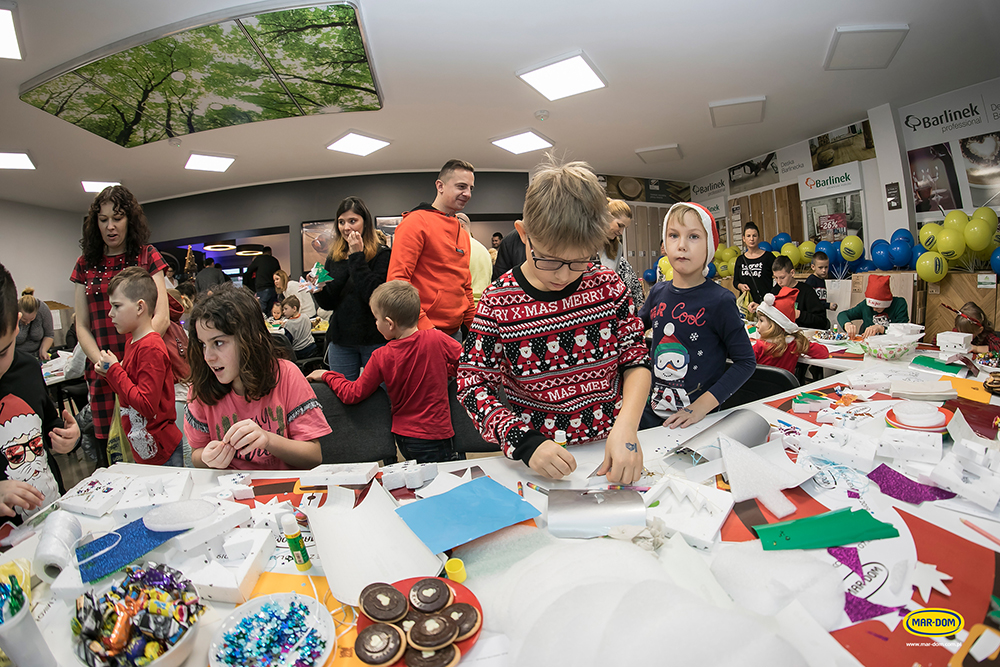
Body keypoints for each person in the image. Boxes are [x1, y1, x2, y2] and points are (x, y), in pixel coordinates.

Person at [458, 158, 650, 484]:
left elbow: (636, 361)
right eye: (549, 259)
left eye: (579, 261)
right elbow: (472, 385)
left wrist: (628, 426)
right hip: (538, 460)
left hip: (610, 447)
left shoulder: (608, 286)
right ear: (523, 235)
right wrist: (523, 441)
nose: (563, 275)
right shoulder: (496, 302)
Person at [308, 281, 463, 463]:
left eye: (376, 319)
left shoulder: (381, 355)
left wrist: (327, 375)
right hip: (438, 434)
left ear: (389, 323)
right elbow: (469, 363)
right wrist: (447, 371)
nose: (375, 323)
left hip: (405, 437)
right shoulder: (436, 339)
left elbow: (353, 393)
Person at [71, 185, 170, 468]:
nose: (110, 226)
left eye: (117, 218)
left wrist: (127, 365)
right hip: (103, 374)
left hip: (144, 369)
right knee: (113, 455)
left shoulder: (147, 255)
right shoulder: (84, 264)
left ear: (130, 219)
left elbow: (160, 318)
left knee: (152, 448)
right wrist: (105, 366)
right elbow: (82, 326)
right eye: (103, 220)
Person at [184, 285, 329, 470]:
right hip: (227, 491)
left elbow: (313, 456)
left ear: (250, 339)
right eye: (203, 345)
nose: (208, 357)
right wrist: (207, 458)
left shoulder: (287, 375)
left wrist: (268, 439)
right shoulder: (200, 387)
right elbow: (197, 454)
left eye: (218, 343)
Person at [639, 202, 755, 429]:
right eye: (673, 235)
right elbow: (630, 331)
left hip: (698, 422)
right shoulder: (658, 292)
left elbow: (746, 362)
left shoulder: (720, 300)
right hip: (651, 416)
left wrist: (701, 407)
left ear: (709, 246)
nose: (681, 245)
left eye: (693, 236)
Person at [0, 263, 78, 521]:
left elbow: (47, 423)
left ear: (18, 325)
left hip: (50, 512)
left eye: (2, 352)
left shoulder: (28, 368)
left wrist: (66, 435)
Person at [96, 267, 182, 466]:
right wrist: (110, 374)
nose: (110, 314)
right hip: (146, 447)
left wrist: (115, 370)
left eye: (117, 306)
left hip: (162, 451)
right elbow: (128, 393)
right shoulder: (132, 343)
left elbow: (146, 405)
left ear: (140, 307)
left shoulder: (150, 347)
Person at [388, 159, 475, 338]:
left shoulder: (463, 233)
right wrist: (426, 328)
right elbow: (397, 283)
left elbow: (464, 286)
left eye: (470, 188)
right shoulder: (416, 222)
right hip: (422, 333)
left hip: (456, 332)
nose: (467, 194)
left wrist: (476, 328)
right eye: (461, 186)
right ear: (440, 186)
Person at [313, 196, 391, 381]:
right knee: (342, 397)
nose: (346, 227)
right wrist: (318, 288)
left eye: (352, 221)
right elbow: (329, 303)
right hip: (341, 341)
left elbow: (374, 296)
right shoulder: (335, 256)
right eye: (341, 222)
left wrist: (357, 256)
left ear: (365, 223)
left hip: (374, 338)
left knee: (380, 396)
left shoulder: (382, 254)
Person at [753, 288, 830, 372]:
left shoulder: (759, 347)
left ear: (775, 325)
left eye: (761, 320)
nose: (757, 325)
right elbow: (824, 352)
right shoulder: (796, 344)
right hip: (786, 385)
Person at [752, 255, 828, 329]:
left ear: (792, 273)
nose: (779, 282)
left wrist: (799, 315)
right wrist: (761, 307)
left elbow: (822, 321)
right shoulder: (776, 290)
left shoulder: (806, 291)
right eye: (776, 278)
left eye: (782, 277)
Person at [165, 289, 193, 467]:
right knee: (189, 444)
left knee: (185, 448)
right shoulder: (180, 330)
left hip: (176, 394)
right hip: (187, 391)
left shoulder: (163, 330)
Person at [837, 274, 909, 339]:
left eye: (878, 307)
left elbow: (903, 329)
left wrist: (881, 328)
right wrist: (847, 324)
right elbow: (842, 314)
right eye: (871, 306)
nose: (874, 309)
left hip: (892, 343)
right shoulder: (865, 306)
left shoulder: (899, 304)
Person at [602, 199, 644, 308]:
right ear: (606, 217)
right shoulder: (585, 244)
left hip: (609, 305)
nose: (621, 232)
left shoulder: (617, 248)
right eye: (619, 225)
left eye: (624, 228)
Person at [457, 213, 493, 306]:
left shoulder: (460, 249)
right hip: (484, 305)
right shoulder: (484, 250)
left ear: (461, 226)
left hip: (466, 306)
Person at [734, 222, 774, 304]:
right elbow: (735, 281)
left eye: (754, 236)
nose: (751, 239)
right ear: (744, 238)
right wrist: (740, 286)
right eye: (748, 236)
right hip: (746, 305)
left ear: (758, 237)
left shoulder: (768, 257)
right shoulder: (740, 259)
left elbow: (778, 278)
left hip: (765, 304)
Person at [15, 288, 54, 361]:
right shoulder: (11, 312)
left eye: (32, 319)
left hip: (37, 356)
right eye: (24, 320)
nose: (28, 322)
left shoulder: (42, 309)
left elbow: (49, 334)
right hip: (16, 357)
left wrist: (43, 350)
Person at [245, 246, 282, 314]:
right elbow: (279, 273)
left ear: (263, 252)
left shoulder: (259, 259)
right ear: (270, 252)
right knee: (272, 310)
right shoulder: (275, 260)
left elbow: (249, 269)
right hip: (273, 288)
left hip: (262, 287)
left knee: (261, 310)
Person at [804, 251, 838, 316]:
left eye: (826, 267)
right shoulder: (811, 280)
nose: (824, 270)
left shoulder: (822, 280)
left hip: (821, 315)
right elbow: (811, 302)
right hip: (812, 316)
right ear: (813, 267)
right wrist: (828, 305)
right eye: (820, 267)